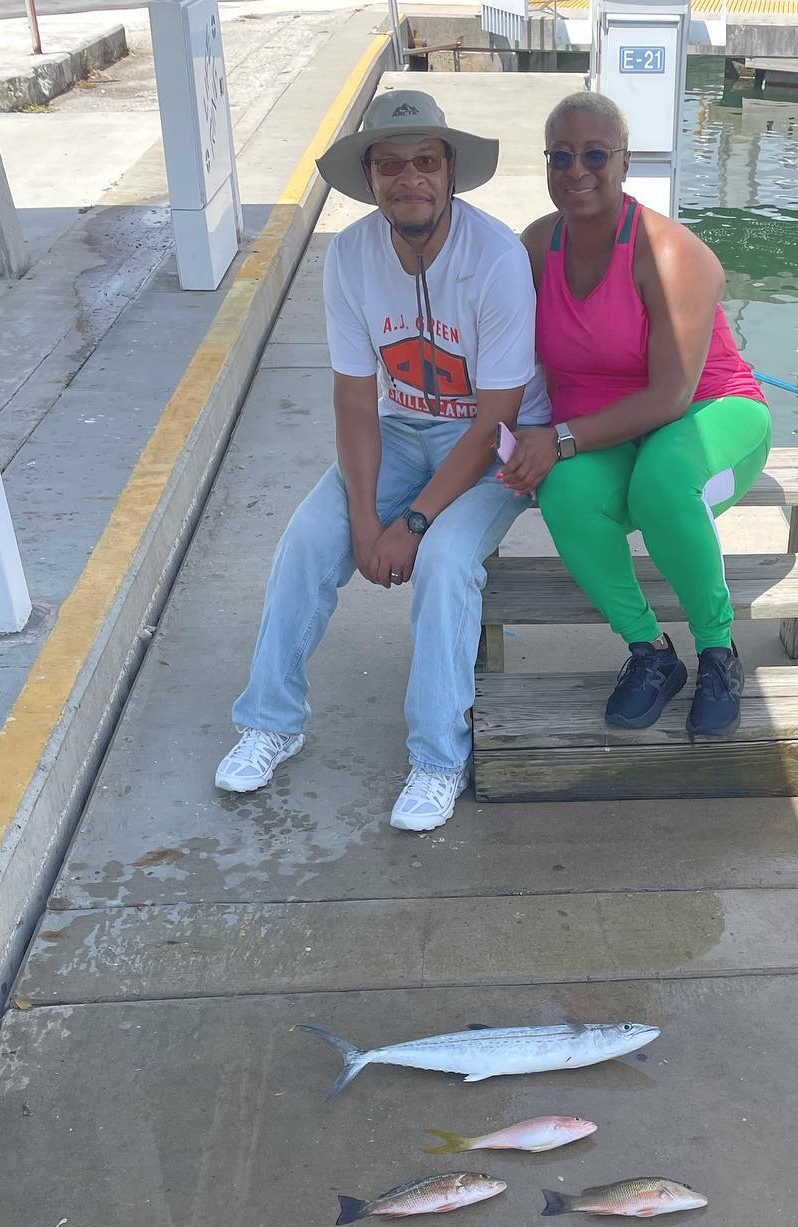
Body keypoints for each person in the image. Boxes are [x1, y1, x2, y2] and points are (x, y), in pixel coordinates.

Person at [215, 91, 550, 831]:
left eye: (426, 161)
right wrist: (366, 520)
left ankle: (438, 760)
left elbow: (496, 416)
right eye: (390, 165)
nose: (410, 179)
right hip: (401, 430)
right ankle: (272, 721)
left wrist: (416, 523)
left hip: (493, 445)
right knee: (308, 540)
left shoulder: (495, 259)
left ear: (451, 171)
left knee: (443, 563)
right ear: (369, 179)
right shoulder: (351, 255)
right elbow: (355, 400)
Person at [503, 92, 772, 740]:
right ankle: (651, 653)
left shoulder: (670, 252)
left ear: (625, 161)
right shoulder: (537, 246)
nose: (577, 171)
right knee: (564, 493)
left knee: (662, 481)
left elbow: (669, 398)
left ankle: (717, 651)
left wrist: (558, 438)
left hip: (711, 410)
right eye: (560, 156)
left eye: (595, 155)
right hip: (610, 430)